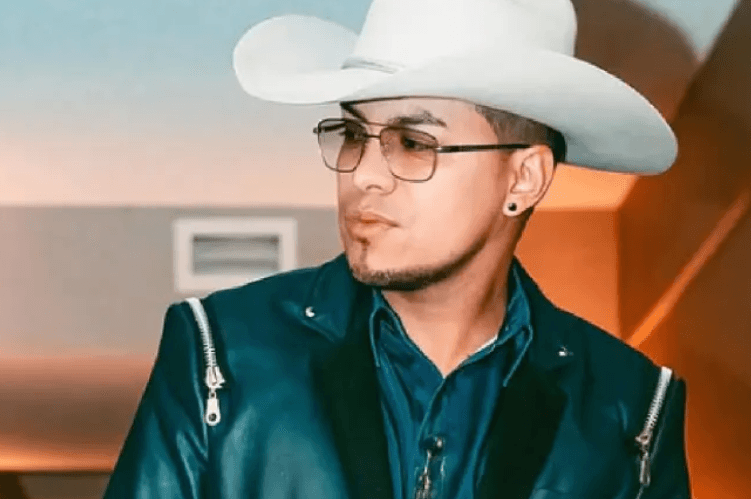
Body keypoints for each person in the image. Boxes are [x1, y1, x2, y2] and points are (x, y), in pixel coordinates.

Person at [102, 0, 691, 498]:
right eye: (353, 134)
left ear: (523, 179)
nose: (363, 175)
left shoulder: (630, 410)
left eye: (413, 142)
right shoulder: (220, 355)